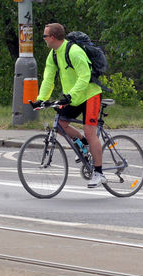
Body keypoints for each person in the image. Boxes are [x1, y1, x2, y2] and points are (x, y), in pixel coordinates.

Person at [32, 23, 105, 188]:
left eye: (44, 36)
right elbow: (48, 79)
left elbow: (85, 75)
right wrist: (41, 99)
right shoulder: (53, 55)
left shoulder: (74, 51)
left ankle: (99, 173)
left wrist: (71, 95)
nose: (43, 39)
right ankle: (84, 144)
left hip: (90, 94)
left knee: (90, 131)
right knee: (60, 125)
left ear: (52, 37)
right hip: (73, 97)